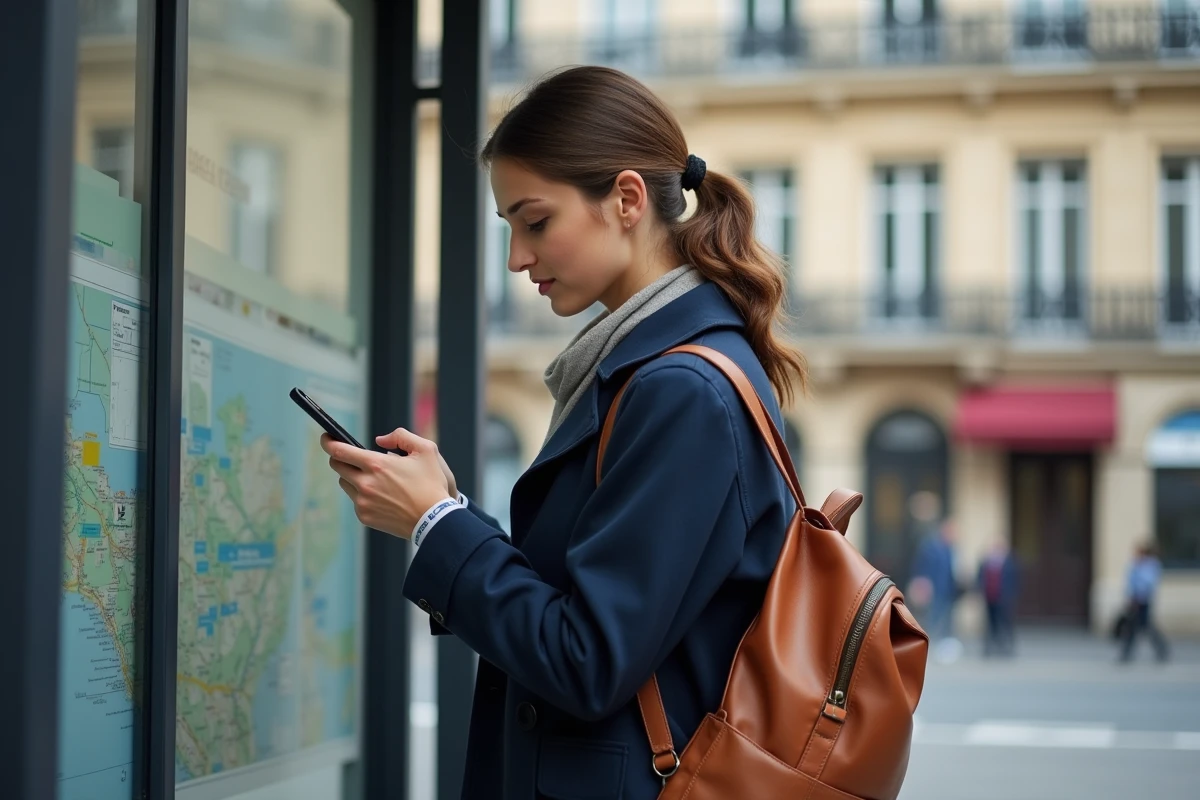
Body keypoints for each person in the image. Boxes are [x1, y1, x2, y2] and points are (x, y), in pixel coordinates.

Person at [319, 66, 807, 799]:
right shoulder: (644, 369)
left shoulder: (681, 390)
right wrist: (450, 511)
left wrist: (436, 523)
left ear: (627, 199)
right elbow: (588, 601)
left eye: (535, 221)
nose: (517, 257)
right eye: (509, 228)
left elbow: (587, 659)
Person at [910, 515, 961, 663]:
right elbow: (921, 568)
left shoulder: (951, 549)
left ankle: (944, 648)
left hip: (948, 591)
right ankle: (927, 647)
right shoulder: (931, 546)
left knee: (947, 619)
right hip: (933, 590)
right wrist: (921, 584)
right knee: (933, 619)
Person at [1119, 541, 1169, 663]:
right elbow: (1131, 582)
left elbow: (1147, 584)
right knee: (1133, 627)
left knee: (1144, 627)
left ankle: (1161, 649)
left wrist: (1139, 598)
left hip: (1142, 601)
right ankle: (1127, 654)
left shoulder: (1150, 565)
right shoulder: (1136, 564)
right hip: (1135, 600)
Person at [977, 538, 1019, 657]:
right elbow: (980, 578)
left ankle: (1006, 647)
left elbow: (1015, 580)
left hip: (1004, 598)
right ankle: (989, 648)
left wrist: (1011, 595)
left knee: (1005, 624)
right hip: (989, 597)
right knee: (990, 624)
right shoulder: (986, 562)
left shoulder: (1010, 562)